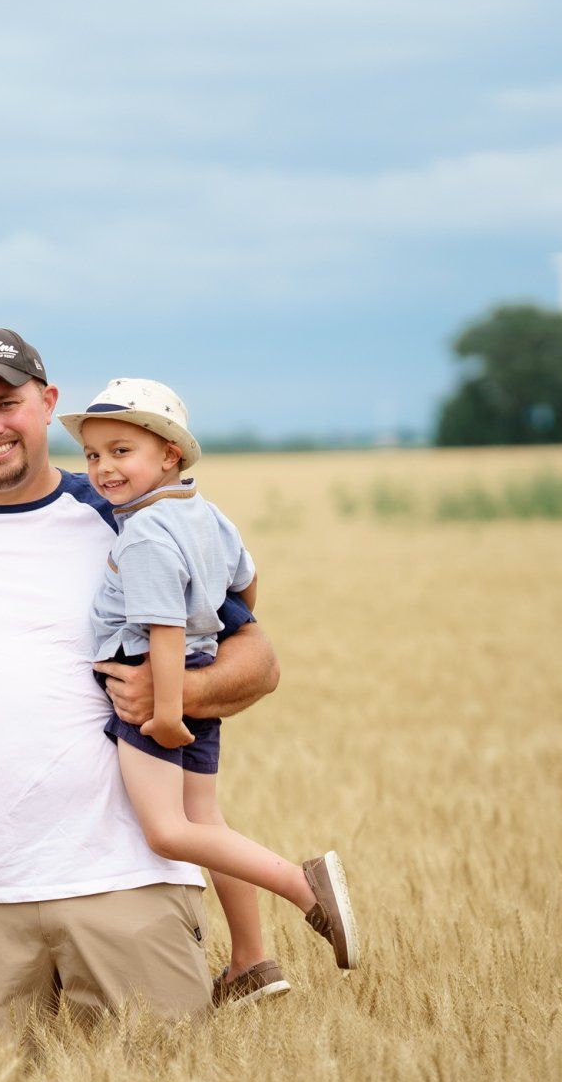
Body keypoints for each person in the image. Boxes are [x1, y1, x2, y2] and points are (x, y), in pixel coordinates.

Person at [0, 328, 284, 1046]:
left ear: (48, 401)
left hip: (131, 881)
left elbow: (257, 658)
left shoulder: (128, 517)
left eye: (8, 403)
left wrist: (173, 696)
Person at [62, 378, 359, 972]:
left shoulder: (144, 534)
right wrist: (216, 635)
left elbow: (162, 630)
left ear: (169, 453)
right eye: (93, 454)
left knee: (169, 833)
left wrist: (166, 714)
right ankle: (250, 959)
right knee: (206, 821)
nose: (102, 469)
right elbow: (245, 582)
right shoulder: (204, 513)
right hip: (198, 664)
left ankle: (304, 888)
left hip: (150, 684)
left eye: (122, 451)